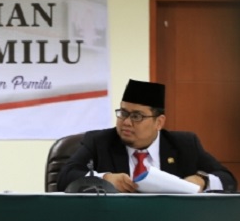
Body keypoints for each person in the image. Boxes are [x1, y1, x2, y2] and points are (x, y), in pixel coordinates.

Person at [57, 79, 236, 193]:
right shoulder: (99, 142)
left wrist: (202, 180)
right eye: (123, 113)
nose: (126, 122)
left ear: (159, 122)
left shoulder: (185, 144)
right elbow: (64, 177)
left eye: (137, 116)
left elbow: (228, 180)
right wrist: (105, 179)